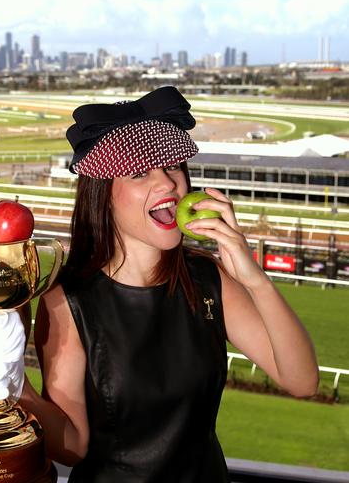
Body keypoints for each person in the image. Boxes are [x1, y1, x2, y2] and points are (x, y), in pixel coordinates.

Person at [18, 86, 319, 482]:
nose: (168, 184)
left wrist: (254, 278)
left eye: (172, 167)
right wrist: (11, 384)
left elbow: (302, 381)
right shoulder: (66, 301)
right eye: (140, 172)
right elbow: (72, 446)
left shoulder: (207, 278)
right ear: (103, 196)